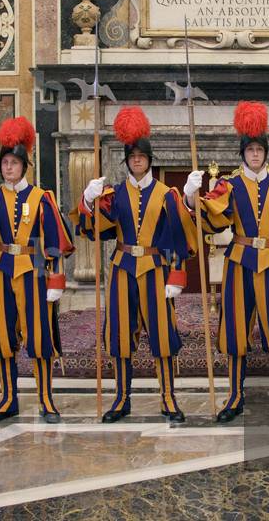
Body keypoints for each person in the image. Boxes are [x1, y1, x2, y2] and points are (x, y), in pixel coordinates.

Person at [185, 101, 269, 422]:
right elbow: (212, 218)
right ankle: (235, 395)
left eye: (259, 150)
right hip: (239, 263)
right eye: (250, 150)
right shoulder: (230, 184)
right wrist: (190, 196)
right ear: (242, 154)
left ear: (266, 154)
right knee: (236, 330)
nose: (255, 154)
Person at [75, 107, 197, 424]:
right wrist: (88, 201)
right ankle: (121, 398)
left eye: (142, 156)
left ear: (149, 159)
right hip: (122, 269)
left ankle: (168, 397)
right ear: (127, 160)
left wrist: (176, 274)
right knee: (119, 335)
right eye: (133, 157)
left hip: (155, 269)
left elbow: (178, 235)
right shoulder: (113, 194)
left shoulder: (166, 194)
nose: (137, 161)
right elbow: (95, 230)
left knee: (162, 334)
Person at [0, 116, 74, 424]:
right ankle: (8, 398)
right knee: (2, 337)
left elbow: (54, 240)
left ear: (25, 165)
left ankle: (46, 400)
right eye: (4, 163)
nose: (8, 168)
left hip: (34, 269)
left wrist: (56, 278)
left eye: (13, 163)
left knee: (39, 337)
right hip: (0, 269)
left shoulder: (41, 198)